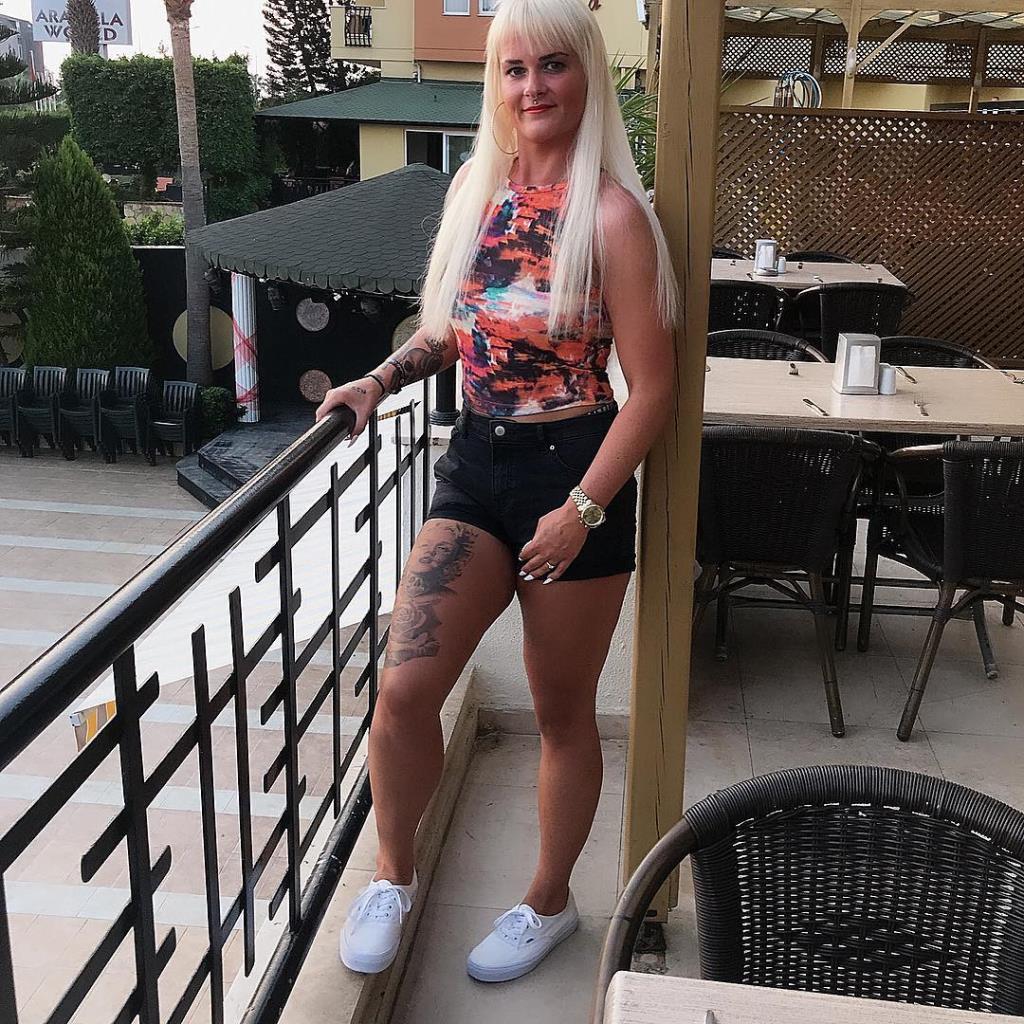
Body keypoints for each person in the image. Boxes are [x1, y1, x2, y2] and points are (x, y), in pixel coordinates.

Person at [315, 0, 678, 984]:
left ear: (586, 74)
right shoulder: (478, 189)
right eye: (515, 69)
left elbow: (653, 390)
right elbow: (458, 329)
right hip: (475, 462)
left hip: (576, 470)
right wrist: (378, 380)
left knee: (562, 712)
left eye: (552, 65)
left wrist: (583, 511)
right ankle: (392, 874)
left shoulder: (613, 218)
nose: (533, 86)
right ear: (496, 82)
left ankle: (548, 903)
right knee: (403, 691)